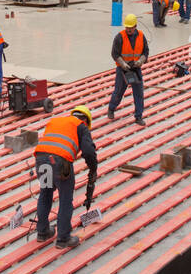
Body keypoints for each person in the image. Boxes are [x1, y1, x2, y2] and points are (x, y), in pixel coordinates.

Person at [32, 106, 99, 250]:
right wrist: (93, 168)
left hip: (41, 160)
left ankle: (42, 232)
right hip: (60, 163)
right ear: (86, 120)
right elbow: (88, 151)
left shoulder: (56, 121)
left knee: (45, 193)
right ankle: (63, 238)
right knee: (65, 198)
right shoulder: (81, 126)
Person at [107, 13, 148, 126]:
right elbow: (115, 53)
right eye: (127, 28)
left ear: (135, 26)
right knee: (119, 91)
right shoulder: (119, 37)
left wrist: (141, 61)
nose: (128, 30)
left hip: (135, 68)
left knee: (138, 93)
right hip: (123, 69)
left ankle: (138, 116)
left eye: (130, 28)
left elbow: (145, 51)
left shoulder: (141, 35)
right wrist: (123, 64)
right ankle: (111, 108)